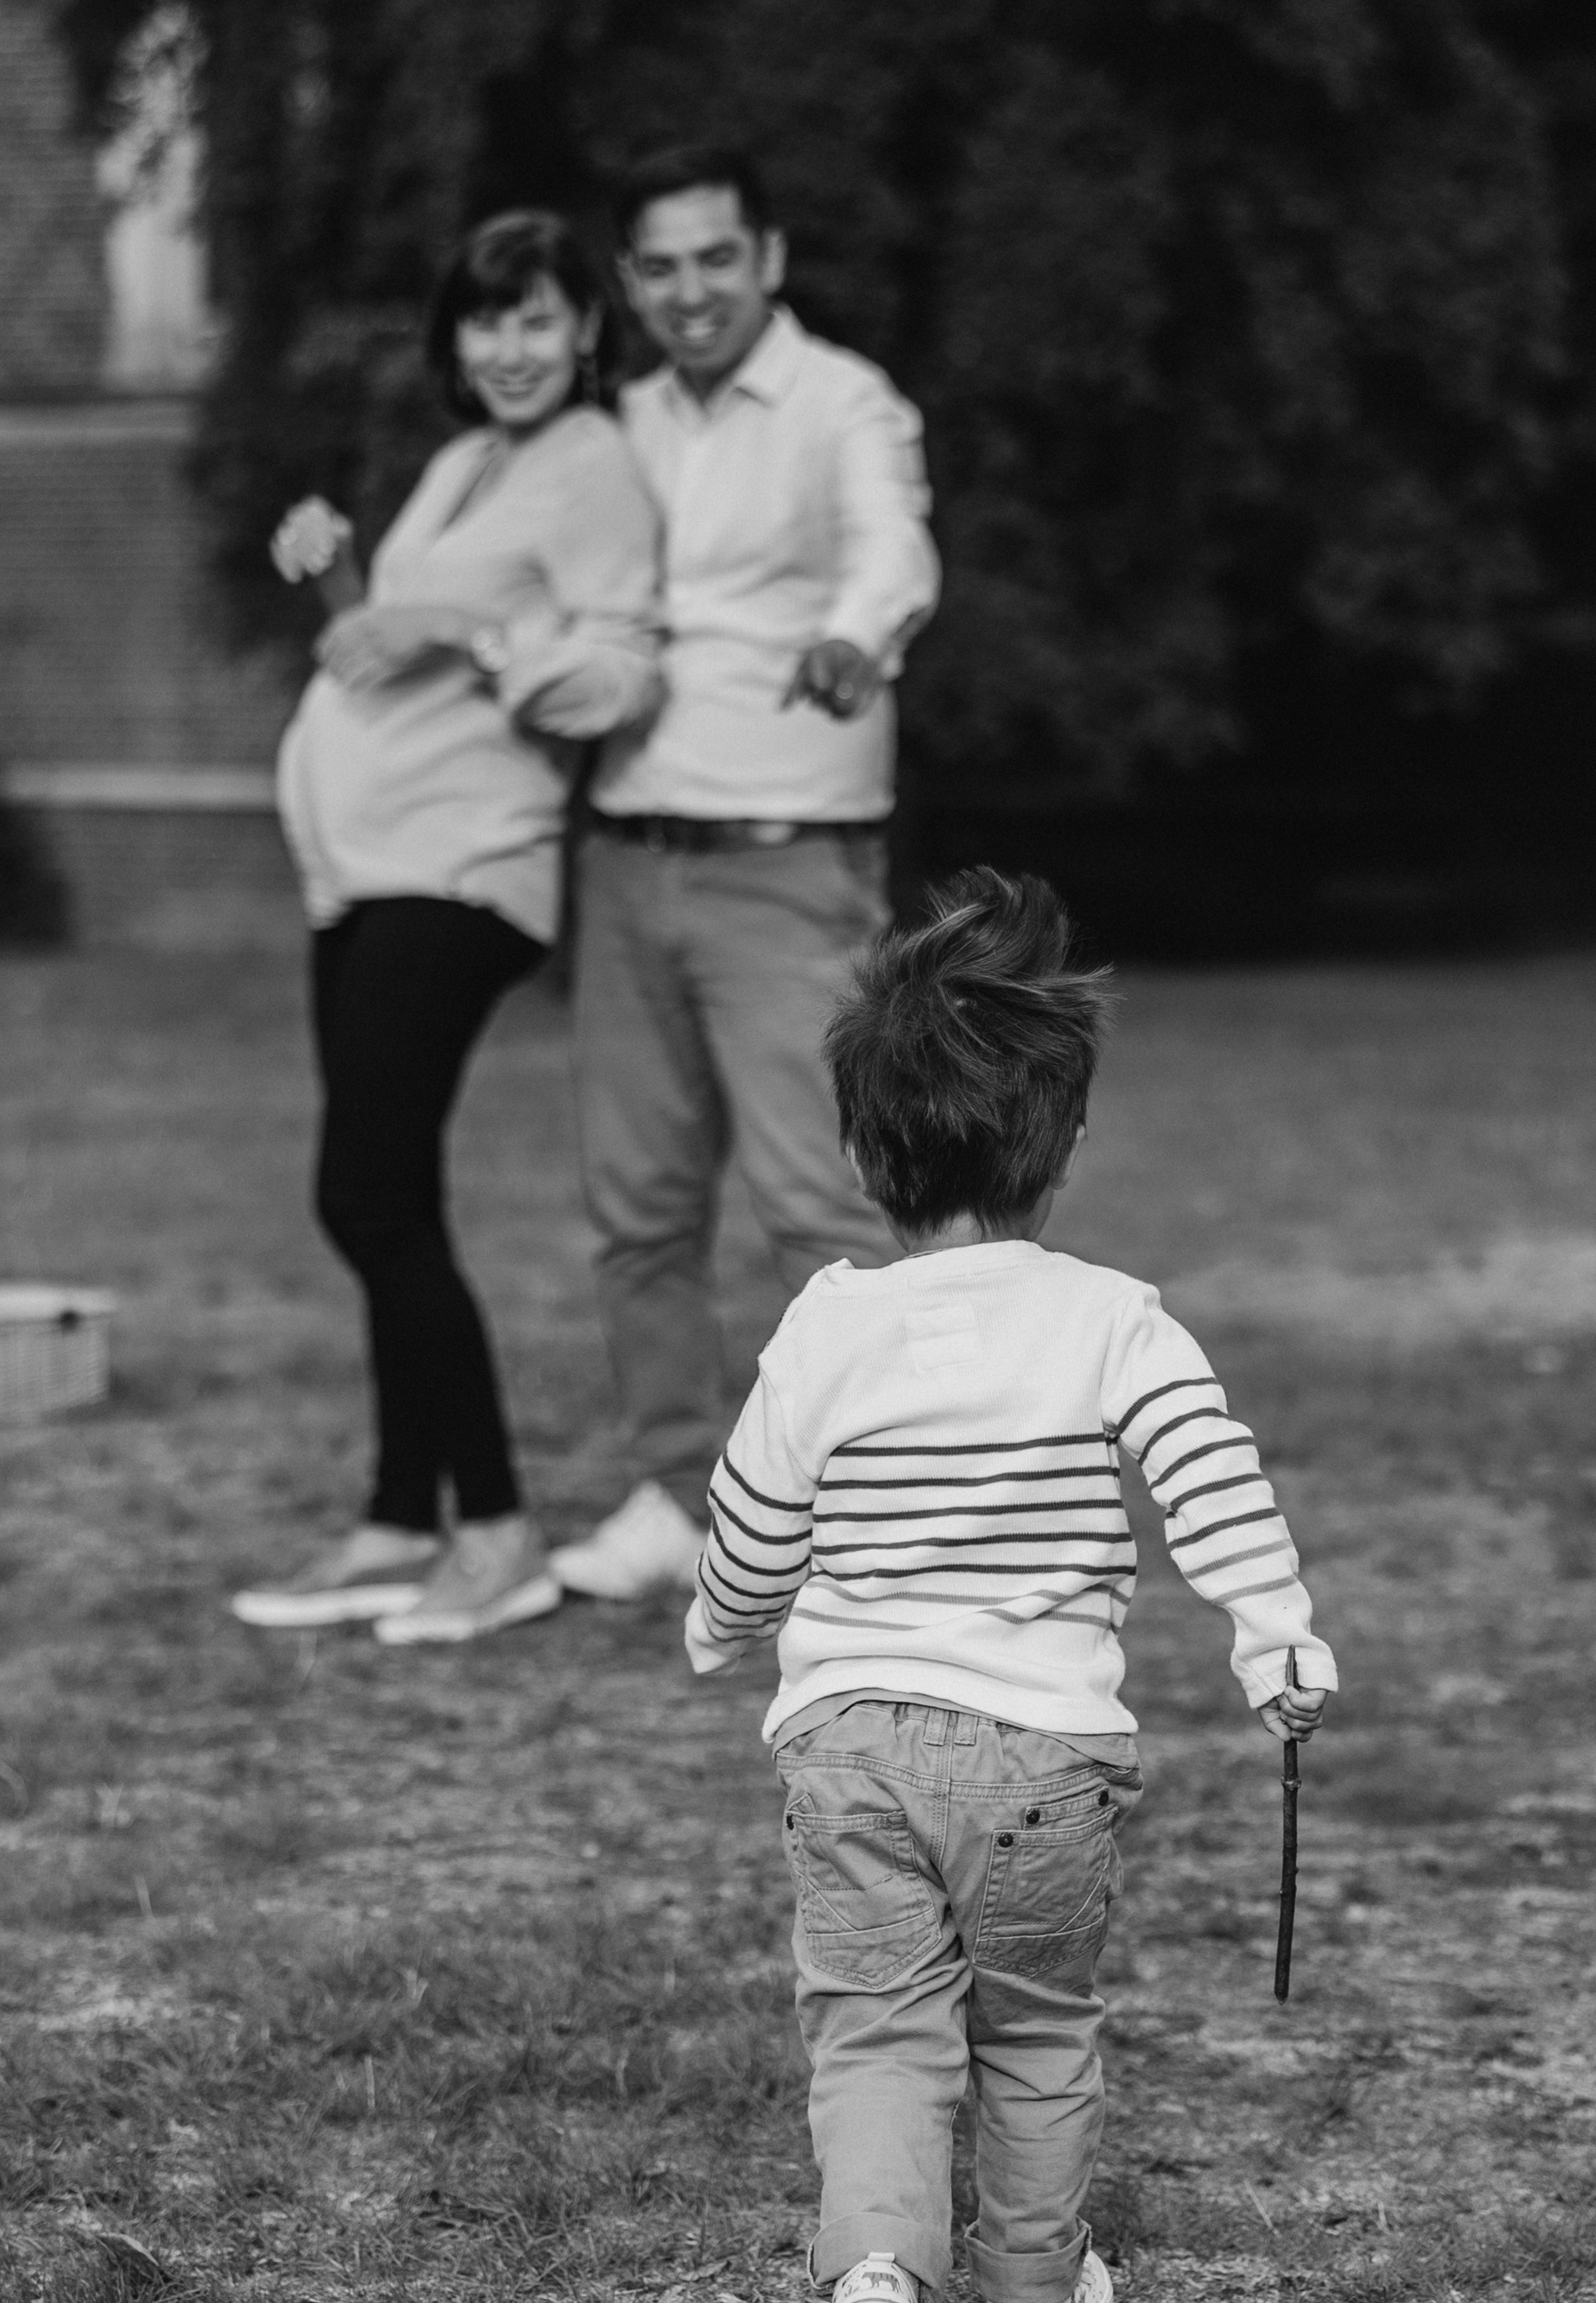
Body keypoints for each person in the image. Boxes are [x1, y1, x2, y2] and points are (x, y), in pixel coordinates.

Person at [683, 869, 1338, 2303]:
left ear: (861, 1152)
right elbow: (1209, 1473)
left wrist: (719, 1623)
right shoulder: (1113, 1320)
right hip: (1043, 1758)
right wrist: (1272, 1627)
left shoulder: (826, 1325)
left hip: (849, 1746)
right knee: (1036, 2025)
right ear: (1064, 1145)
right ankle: (1035, 2301)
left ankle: (877, 2275)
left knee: (877, 2027)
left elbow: (754, 1519)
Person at [232, 211, 661, 1645]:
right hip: (365, 871)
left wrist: (457, 634)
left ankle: (495, 1530)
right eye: (486, 321)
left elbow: (611, 672)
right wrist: (347, 582)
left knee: (364, 1200)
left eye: (537, 318)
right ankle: (398, 1518)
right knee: (392, 1194)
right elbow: (401, 649)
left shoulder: (594, 467)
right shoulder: (466, 460)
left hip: (464, 872)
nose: (510, 347)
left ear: (586, 329)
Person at [548, 145, 941, 1605]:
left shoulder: (845, 402)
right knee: (639, 1210)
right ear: (628, 285)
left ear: (768, 259)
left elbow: (895, 550)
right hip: (626, 858)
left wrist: (854, 637)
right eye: (658, 267)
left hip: (786, 866)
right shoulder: (615, 423)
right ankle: (674, 1492)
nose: (690, 290)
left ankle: (884, 1517)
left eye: (716, 257)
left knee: (823, 1208)